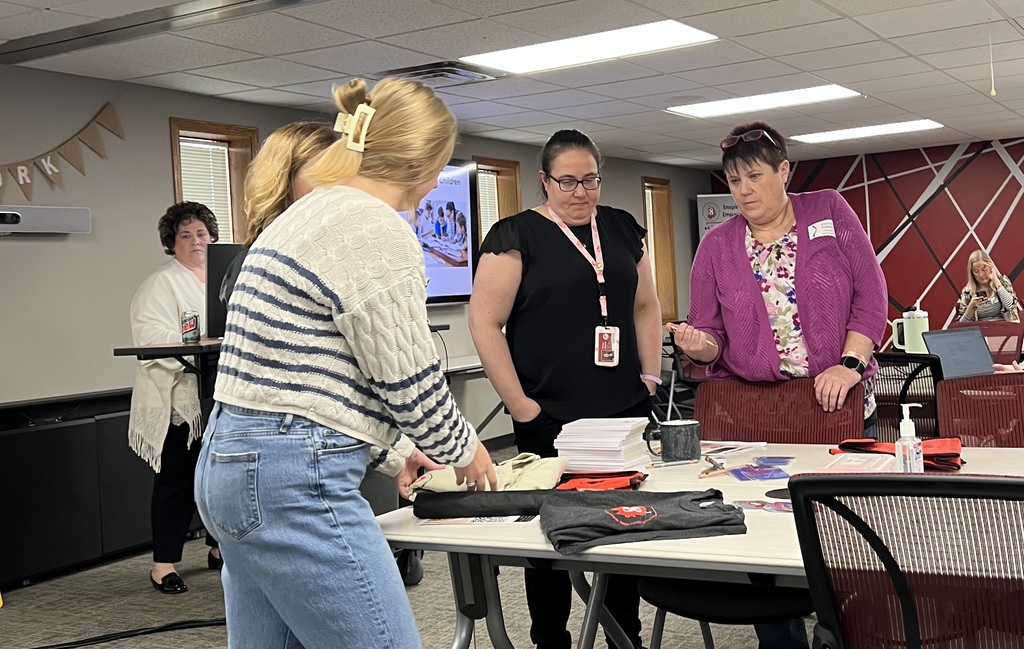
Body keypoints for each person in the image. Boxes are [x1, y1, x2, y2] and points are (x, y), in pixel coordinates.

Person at [194, 77, 497, 649]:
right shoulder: (374, 227)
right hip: (292, 482)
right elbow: (409, 383)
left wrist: (401, 452)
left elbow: (312, 381)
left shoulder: (302, 218)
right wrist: (465, 450)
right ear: (425, 163)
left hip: (229, 468)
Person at [672, 121, 887, 649]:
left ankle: (846, 631)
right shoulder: (717, 245)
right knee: (763, 531)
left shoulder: (830, 211)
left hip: (832, 397)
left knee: (841, 536)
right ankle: (782, 640)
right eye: (733, 180)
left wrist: (850, 364)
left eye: (754, 175)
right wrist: (698, 346)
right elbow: (711, 335)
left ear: (783, 171)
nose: (743, 190)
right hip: (754, 411)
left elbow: (871, 295)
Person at [469, 129, 662, 649]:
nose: (581, 193)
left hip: (622, 407)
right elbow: (485, 324)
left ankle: (627, 636)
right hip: (548, 413)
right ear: (544, 180)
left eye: (590, 180)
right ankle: (549, 639)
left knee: (624, 525)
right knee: (550, 535)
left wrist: (650, 375)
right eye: (568, 182)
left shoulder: (623, 228)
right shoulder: (516, 235)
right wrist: (521, 406)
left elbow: (645, 307)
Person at [128, 201, 222, 594]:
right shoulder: (161, 283)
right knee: (177, 481)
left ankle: (220, 547)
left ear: (213, 237)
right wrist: (199, 341)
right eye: (185, 235)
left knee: (221, 477)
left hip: (222, 393)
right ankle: (163, 563)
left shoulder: (225, 278)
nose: (195, 241)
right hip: (180, 399)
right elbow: (148, 337)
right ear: (172, 243)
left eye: (201, 233)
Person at [219, 121, 338, 307]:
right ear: (283, 181)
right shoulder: (258, 265)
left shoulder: (341, 250)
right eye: (320, 171)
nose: (334, 183)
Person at [955, 249, 1020, 322]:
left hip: (1004, 328)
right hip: (981, 330)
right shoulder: (967, 291)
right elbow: (961, 326)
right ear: (972, 273)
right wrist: (971, 307)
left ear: (990, 267)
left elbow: (1011, 306)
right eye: (976, 271)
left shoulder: (1003, 282)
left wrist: (996, 280)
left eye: (984, 269)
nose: (981, 275)